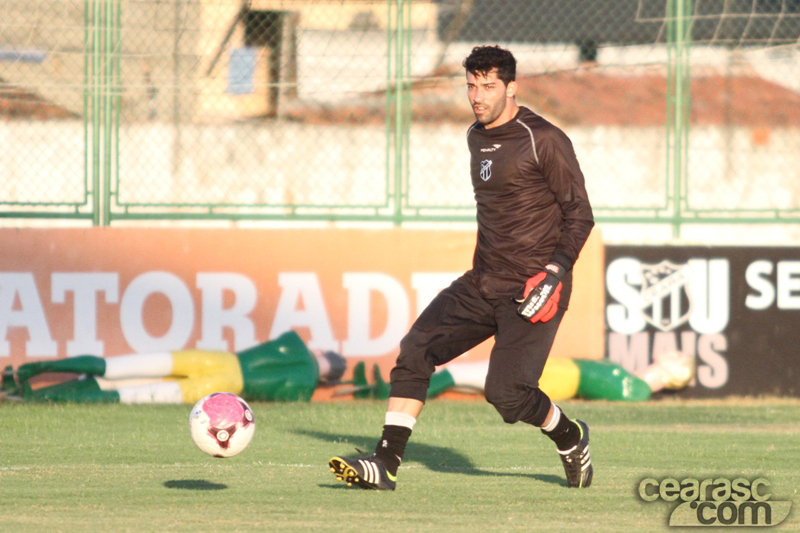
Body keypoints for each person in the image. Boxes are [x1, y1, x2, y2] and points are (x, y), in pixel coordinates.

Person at [328, 45, 596, 490]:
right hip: (482, 282)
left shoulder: (543, 139)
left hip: (534, 288)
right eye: (472, 85)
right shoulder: (476, 135)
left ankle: (571, 436)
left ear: (512, 87)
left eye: (489, 86)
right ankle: (385, 462)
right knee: (416, 349)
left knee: (507, 397)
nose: (479, 95)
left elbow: (579, 214)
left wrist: (555, 271)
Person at [2, 331, 345, 404]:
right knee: (124, 394)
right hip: (218, 388)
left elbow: (296, 340)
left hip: (217, 360)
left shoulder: (295, 344)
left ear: (320, 351)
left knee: (114, 367)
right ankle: (35, 399)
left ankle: (32, 370)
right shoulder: (302, 389)